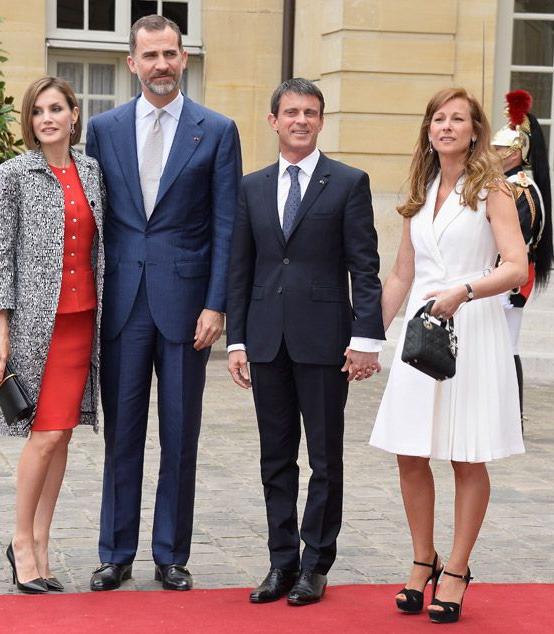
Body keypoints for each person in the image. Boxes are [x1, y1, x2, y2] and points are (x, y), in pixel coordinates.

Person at [86, 15, 242, 592]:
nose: (161, 65)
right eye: (149, 55)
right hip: (123, 304)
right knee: (122, 434)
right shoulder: (103, 130)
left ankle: (172, 554)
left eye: (170, 54)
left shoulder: (217, 130)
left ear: (184, 58)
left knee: (180, 435)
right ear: (132, 62)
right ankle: (115, 552)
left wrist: (216, 303)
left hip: (187, 309)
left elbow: (227, 225)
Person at [369, 87, 527, 623]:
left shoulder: (494, 190)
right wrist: (366, 335)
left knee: (465, 454)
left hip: (473, 328)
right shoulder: (422, 187)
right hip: (421, 334)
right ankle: (422, 560)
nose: (447, 126)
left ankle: (456, 569)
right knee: (409, 451)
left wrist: (465, 290)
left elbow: (516, 266)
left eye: (458, 118)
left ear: (475, 131)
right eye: (439, 118)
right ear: (428, 129)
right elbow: (401, 275)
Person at [226, 78, 384, 606]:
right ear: (273, 121)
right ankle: (280, 563)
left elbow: (365, 267)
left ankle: (316, 564)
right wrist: (237, 341)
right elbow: (241, 269)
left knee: (324, 457)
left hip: (325, 342)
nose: (300, 120)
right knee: (275, 458)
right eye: (290, 112)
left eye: (310, 112)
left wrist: (366, 336)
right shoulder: (251, 186)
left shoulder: (348, 183)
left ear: (320, 121)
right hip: (266, 341)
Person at [0, 76, 105, 594]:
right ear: (30, 122)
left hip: (84, 322)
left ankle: (41, 539)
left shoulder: (93, 172)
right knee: (45, 434)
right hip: (39, 326)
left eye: (57, 108)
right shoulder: (13, 174)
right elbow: (1, 255)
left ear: (74, 114)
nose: (48, 118)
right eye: (38, 111)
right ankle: (19, 540)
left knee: (63, 438)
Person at [491, 89, 554, 427]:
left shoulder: (522, 190)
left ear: (517, 153)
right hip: (502, 276)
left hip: (509, 279)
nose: (494, 153)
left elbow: (515, 240)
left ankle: (510, 414)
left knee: (505, 345)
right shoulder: (507, 185)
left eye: (500, 148)